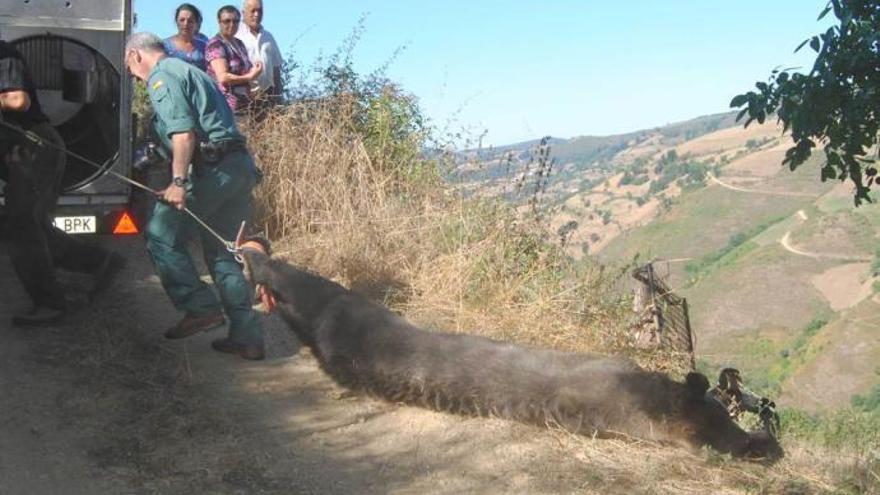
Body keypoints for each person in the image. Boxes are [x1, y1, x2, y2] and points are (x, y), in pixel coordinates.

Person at [124, 32, 264, 360]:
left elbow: (184, 133)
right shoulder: (191, 72)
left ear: (135, 55)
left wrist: (176, 181)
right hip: (237, 168)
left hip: (212, 171)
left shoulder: (161, 76)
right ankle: (248, 339)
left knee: (160, 234)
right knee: (222, 253)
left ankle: (200, 308)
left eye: (129, 67)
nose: (132, 74)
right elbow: (192, 129)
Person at [0, 39, 125, 326]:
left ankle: (50, 303)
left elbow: (19, 100)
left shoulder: (3, 54)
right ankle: (99, 262)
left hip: (36, 147)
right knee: (35, 225)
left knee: (22, 227)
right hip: (23, 152)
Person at [206, 6, 262, 116]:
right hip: (225, 106)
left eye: (235, 21)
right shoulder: (216, 45)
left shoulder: (239, 43)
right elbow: (223, 77)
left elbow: (245, 70)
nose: (231, 25)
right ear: (219, 22)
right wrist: (250, 77)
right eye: (227, 21)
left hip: (245, 105)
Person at [236, 0, 284, 107]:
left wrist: (279, 98)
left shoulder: (268, 37)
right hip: (243, 97)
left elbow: (276, 70)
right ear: (243, 13)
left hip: (267, 97)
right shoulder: (236, 36)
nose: (256, 14)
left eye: (260, 11)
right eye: (253, 11)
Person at [164, 3, 207, 71]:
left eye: (190, 21)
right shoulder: (165, 46)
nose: (185, 24)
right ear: (176, 22)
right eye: (182, 20)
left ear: (196, 23)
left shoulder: (204, 47)